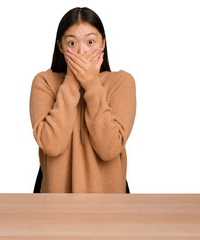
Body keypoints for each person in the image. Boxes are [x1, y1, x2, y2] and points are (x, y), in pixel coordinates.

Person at [29, 7, 136, 193]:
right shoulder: (44, 81)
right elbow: (51, 145)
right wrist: (71, 81)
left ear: (103, 43)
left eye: (90, 41)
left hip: (109, 208)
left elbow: (109, 149)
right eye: (72, 43)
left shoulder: (122, 82)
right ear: (60, 46)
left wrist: (92, 84)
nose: (81, 52)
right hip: (55, 208)